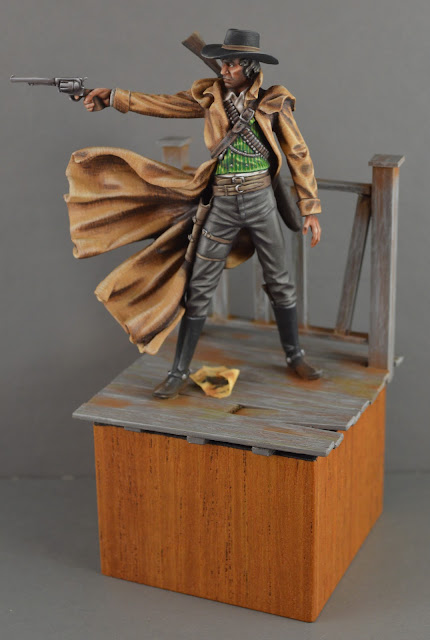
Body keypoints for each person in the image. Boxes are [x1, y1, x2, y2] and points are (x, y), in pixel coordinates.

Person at [78, 28, 323, 399]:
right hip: (222, 202)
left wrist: (310, 208)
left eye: (231, 64)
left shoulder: (273, 101)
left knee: (280, 280)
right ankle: (178, 371)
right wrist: (114, 97)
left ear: (250, 66)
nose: (224, 70)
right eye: (222, 64)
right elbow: (164, 104)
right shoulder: (211, 97)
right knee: (199, 286)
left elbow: (298, 153)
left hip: (261, 199)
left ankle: (295, 355)